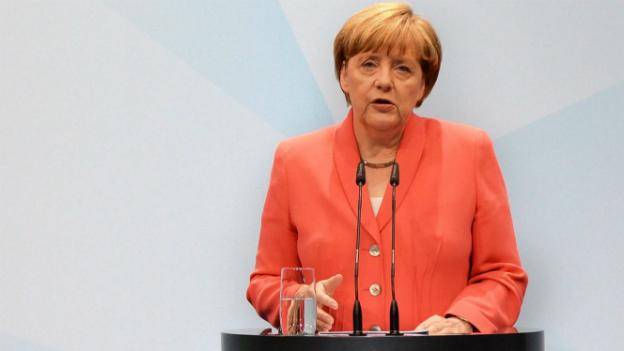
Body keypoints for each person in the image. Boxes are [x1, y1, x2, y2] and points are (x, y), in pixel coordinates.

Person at [246, 2, 527, 335]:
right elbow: (264, 281)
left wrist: (462, 321)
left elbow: (502, 275)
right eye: (368, 64)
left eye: (403, 69)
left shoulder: (469, 151)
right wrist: (298, 299)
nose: (384, 81)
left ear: (423, 86)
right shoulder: (295, 160)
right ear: (343, 76)